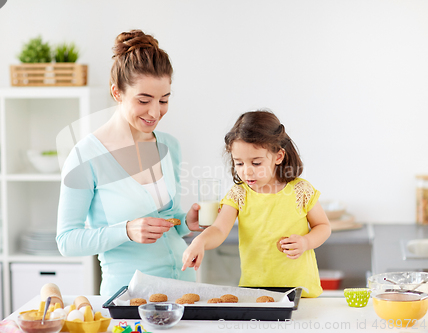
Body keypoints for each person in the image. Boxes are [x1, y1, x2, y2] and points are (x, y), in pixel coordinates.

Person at [57, 29, 201, 297]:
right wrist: (125, 230)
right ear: (117, 92)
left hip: (184, 290)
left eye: (164, 100)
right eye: (144, 100)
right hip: (129, 297)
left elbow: (169, 222)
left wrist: (186, 222)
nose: (155, 112)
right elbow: (67, 241)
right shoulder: (85, 157)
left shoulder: (169, 146)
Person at [182, 110, 331, 297]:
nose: (247, 172)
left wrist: (306, 241)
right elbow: (219, 230)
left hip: (301, 290)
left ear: (278, 156)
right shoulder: (238, 194)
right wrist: (200, 241)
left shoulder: (301, 190)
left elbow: (323, 226)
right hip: (255, 292)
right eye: (239, 164)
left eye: (256, 163)